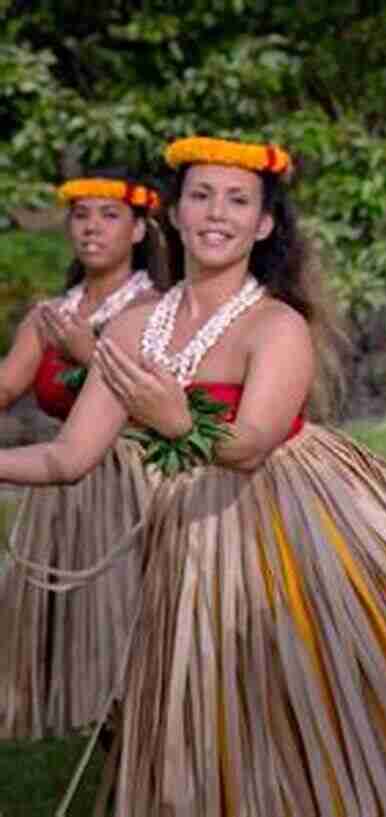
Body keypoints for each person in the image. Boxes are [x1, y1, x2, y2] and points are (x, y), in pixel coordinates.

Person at [0, 137, 386, 816]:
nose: (218, 213)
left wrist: (175, 418)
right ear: (175, 215)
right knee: (202, 714)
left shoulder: (277, 326)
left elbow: (250, 443)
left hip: (286, 529)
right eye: (202, 195)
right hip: (186, 537)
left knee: (294, 712)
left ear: (265, 223)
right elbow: (69, 457)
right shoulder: (132, 329)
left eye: (238, 200)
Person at [0, 170, 170, 739]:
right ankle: (111, 746)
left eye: (109, 215)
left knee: (135, 625)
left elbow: (163, 402)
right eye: (80, 215)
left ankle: (153, 739)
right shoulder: (50, 314)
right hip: (63, 491)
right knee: (81, 636)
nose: (91, 227)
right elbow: (6, 386)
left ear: (141, 230)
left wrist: (90, 351)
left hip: (134, 485)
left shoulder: (160, 309)